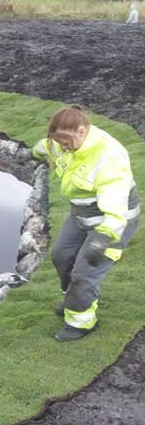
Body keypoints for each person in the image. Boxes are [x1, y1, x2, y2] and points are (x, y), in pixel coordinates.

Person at [32, 106, 140, 341]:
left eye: (66, 142)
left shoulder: (109, 156)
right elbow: (45, 147)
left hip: (112, 223)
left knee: (85, 270)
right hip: (81, 215)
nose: (62, 147)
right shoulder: (61, 143)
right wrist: (36, 152)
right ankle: (75, 299)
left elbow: (115, 201)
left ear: (81, 131)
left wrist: (104, 238)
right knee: (61, 255)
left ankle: (81, 323)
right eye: (58, 142)